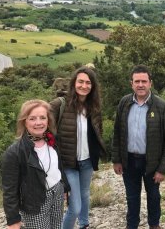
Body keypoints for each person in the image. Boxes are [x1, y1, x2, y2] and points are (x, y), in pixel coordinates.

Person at [111, 65, 165, 229]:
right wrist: (116, 159)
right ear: (131, 83)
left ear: (150, 83)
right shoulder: (124, 103)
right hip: (129, 160)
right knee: (132, 197)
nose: (140, 85)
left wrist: (163, 169)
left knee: (153, 196)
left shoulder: (162, 107)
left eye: (144, 81)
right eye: (137, 81)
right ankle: (131, 225)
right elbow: (117, 133)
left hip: (152, 162)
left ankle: (154, 225)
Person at [50, 66, 106, 229]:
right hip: (67, 163)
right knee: (74, 207)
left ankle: (84, 224)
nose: (84, 86)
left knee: (85, 195)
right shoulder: (59, 105)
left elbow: (98, 130)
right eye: (80, 81)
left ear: (92, 86)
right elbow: (45, 130)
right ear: (74, 83)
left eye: (88, 83)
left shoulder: (93, 107)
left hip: (87, 161)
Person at [2, 99, 69, 229]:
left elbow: (58, 166)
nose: (38, 122)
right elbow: (10, 190)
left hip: (57, 193)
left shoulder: (53, 140)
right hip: (34, 202)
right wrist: (13, 220)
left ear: (48, 120)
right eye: (32, 118)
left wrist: (64, 187)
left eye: (42, 118)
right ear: (24, 122)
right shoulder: (15, 152)